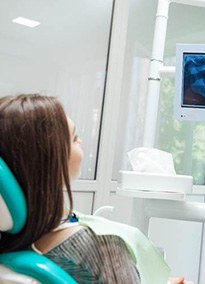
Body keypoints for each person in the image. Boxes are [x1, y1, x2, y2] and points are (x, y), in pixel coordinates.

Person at [0, 94, 188, 284]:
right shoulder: (100, 247)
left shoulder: (12, 243)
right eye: (74, 138)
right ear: (47, 161)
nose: (81, 142)